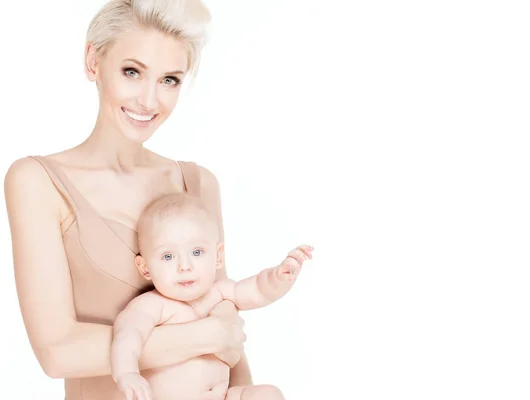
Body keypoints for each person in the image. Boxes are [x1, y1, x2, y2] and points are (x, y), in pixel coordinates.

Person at [3, 0, 257, 399]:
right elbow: (57, 352)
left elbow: (229, 349)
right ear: (93, 62)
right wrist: (206, 334)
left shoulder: (198, 184)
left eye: (169, 80)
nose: (149, 101)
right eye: (132, 72)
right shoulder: (38, 182)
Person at [110, 192, 313, 400]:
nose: (185, 266)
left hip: (224, 396)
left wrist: (279, 276)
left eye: (196, 252)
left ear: (217, 256)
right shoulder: (150, 305)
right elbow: (127, 336)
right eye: (168, 256)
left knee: (268, 394)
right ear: (145, 268)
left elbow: (257, 291)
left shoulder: (220, 291)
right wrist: (127, 373)